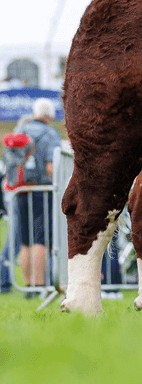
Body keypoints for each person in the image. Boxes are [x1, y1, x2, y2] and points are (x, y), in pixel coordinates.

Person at [13, 98, 61, 292]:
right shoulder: (50, 133)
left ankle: (27, 285)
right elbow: (51, 167)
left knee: (25, 240)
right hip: (43, 190)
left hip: (21, 189)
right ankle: (40, 285)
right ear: (49, 116)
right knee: (40, 239)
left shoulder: (19, 131)